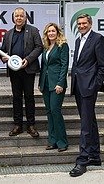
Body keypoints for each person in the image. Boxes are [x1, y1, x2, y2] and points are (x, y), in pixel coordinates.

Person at [69, 13, 104, 177]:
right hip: (78, 86)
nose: (81, 26)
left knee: (85, 125)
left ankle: (83, 160)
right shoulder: (79, 40)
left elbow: (103, 67)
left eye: (84, 23)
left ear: (90, 23)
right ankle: (94, 155)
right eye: (79, 24)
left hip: (88, 87)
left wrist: (94, 85)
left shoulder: (98, 39)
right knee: (90, 121)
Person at [1, 7, 43, 138]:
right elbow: (3, 50)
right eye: (16, 16)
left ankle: (31, 125)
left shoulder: (33, 30)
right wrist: (3, 57)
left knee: (29, 97)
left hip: (28, 69)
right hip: (14, 71)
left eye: (21, 16)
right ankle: (18, 125)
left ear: (25, 18)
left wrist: (28, 60)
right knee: (16, 97)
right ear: (13, 18)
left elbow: (39, 47)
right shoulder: (8, 34)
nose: (19, 18)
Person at [38, 23, 69, 152]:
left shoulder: (63, 45)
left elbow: (64, 65)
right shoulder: (46, 47)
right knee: (49, 112)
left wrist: (60, 83)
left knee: (55, 111)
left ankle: (62, 142)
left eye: (53, 31)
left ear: (57, 32)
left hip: (57, 84)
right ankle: (52, 141)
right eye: (48, 31)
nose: (51, 33)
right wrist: (40, 83)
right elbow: (44, 67)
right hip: (46, 84)